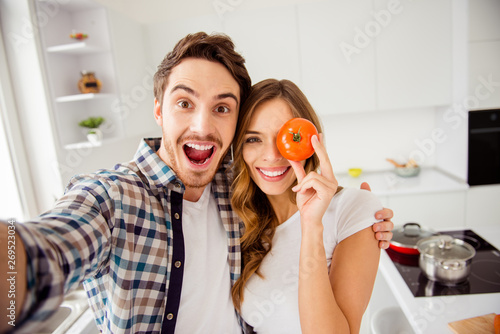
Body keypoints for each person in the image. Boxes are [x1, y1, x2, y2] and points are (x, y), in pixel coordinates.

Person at [0, 32, 393, 334]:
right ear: (158, 109)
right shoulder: (111, 197)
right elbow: (45, 248)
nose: (203, 127)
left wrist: (353, 217)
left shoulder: (236, 185)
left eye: (221, 108)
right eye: (184, 103)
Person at [230, 79, 382, 333]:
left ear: (312, 143)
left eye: (284, 138)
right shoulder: (243, 222)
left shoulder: (351, 209)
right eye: (253, 139)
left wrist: (311, 225)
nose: (271, 155)